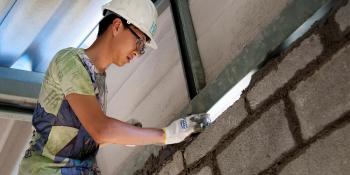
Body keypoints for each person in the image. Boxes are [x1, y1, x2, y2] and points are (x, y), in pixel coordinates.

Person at [18, 0, 210, 174]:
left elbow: (88, 137)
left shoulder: (98, 81)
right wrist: (165, 135)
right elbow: (100, 129)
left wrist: (127, 134)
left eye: (142, 48)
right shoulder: (70, 62)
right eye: (139, 42)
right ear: (117, 26)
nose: (138, 52)